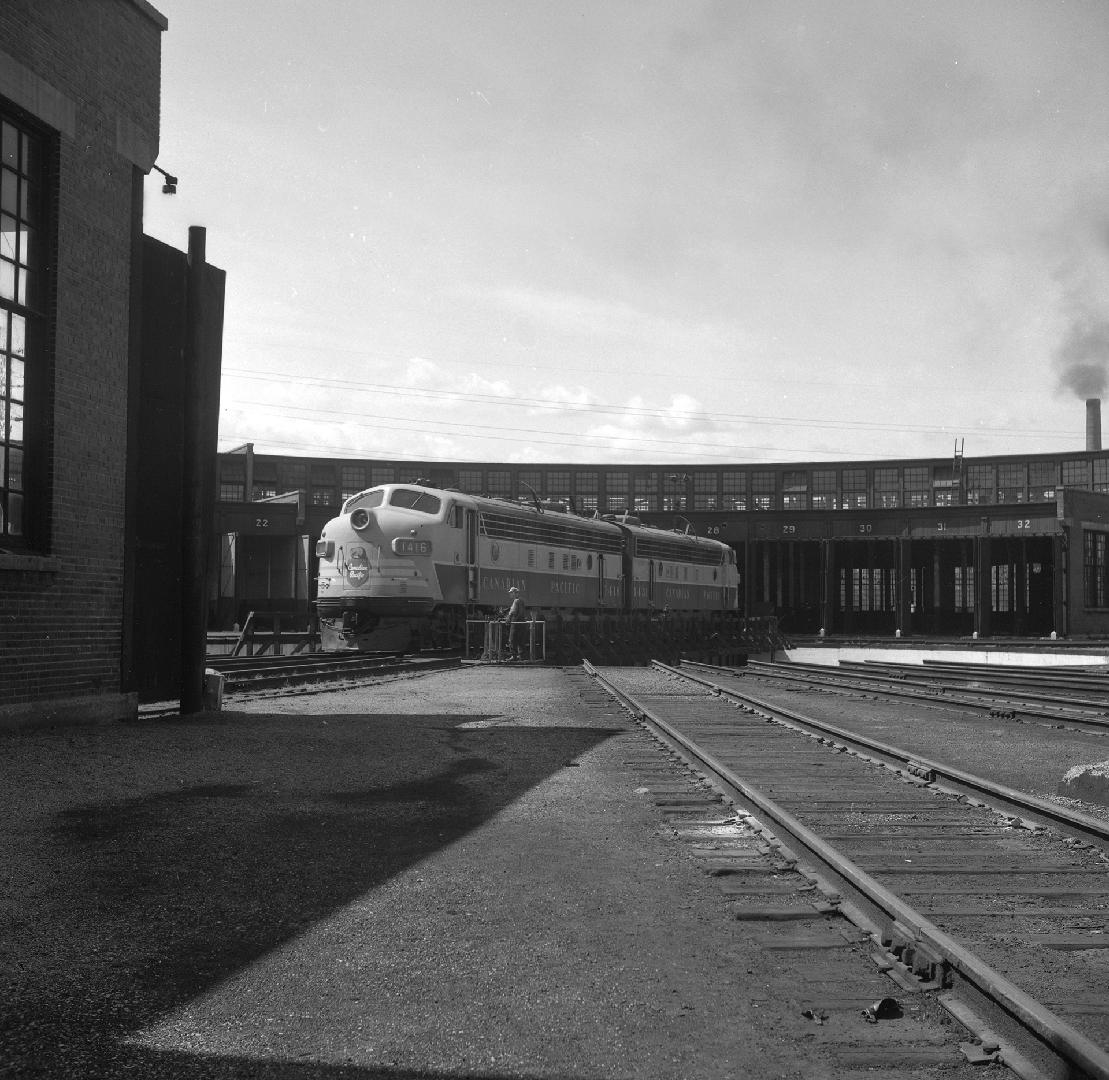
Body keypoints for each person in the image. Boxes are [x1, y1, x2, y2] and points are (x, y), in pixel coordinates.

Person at [504, 586, 525, 660]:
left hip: (515, 622)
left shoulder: (516, 601)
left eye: (511, 593)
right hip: (520, 623)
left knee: (512, 639)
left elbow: (513, 612)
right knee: (520, 640)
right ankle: (521, 655)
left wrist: (508, 618)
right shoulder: (521, 600)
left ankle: (514, 655)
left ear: (515, 593)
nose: (510, 594)